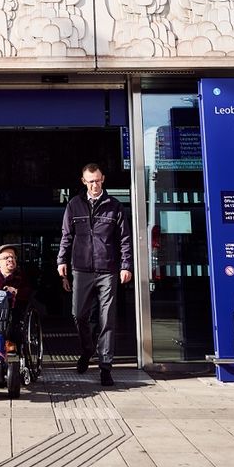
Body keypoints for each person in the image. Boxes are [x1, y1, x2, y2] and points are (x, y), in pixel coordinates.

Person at [57, 163, 133, 387]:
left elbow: (125, 239)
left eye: (98, 180)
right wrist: (61, 260)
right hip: (81, 269)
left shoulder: (115, 206)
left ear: (103, 179)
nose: (94, 185)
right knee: (78, 315)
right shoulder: (74, 205)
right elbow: (66, 235)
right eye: (90, 181)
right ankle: (88, 348)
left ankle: (105, 366)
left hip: (107, 270)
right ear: (83, 181)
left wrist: (126, 265)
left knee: (106, 318)